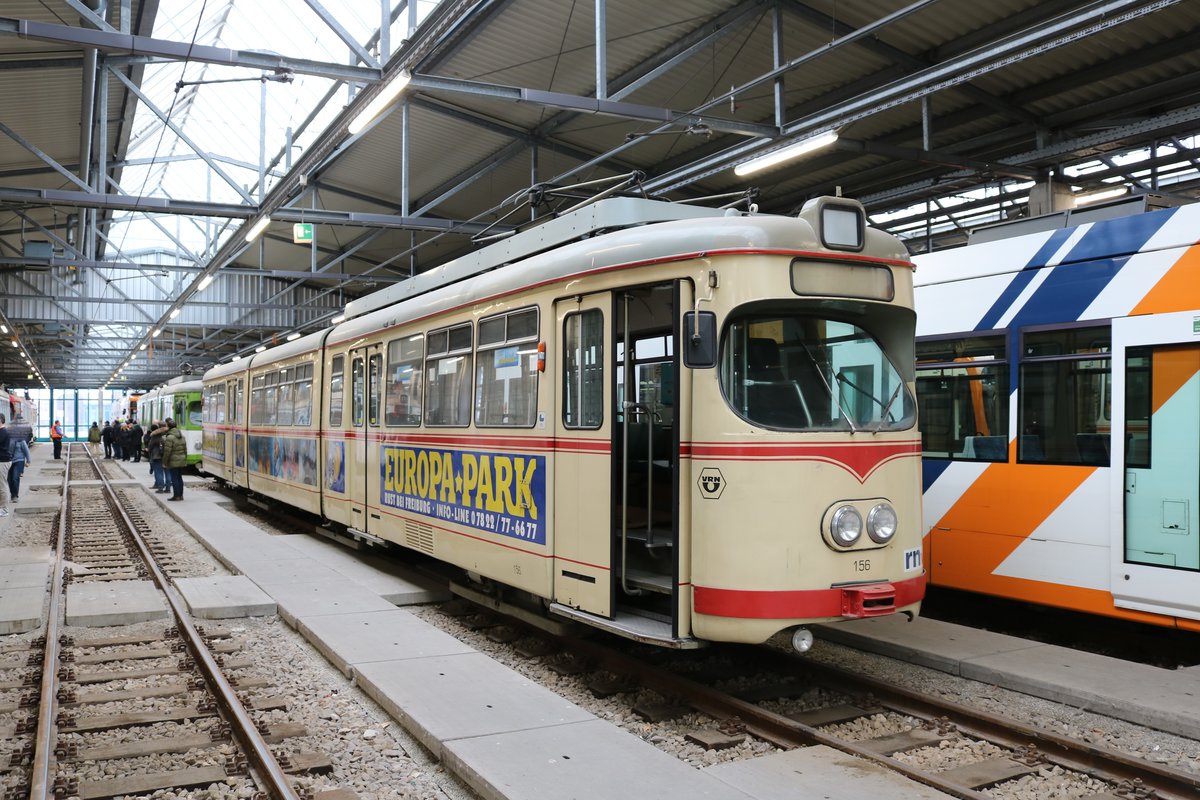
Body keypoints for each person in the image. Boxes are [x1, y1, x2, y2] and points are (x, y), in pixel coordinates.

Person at [162, 418, 187, 501]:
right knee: (179, 478)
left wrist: (164, 462)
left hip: (173, 460)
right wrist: (185, 459)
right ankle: (181, 495)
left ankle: (176, 496)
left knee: (174, 478)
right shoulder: (182, 436)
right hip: (181, 459)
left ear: (169, 427)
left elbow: (167, 452)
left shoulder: (170, 437)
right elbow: (185, 450)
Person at [146, 421, 168, 493]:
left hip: (157, 456)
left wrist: (148, 450)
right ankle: (168, 488)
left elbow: (150, 446)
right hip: (166, 455)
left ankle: (160, 487)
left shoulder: (155, 436)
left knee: (158, 472)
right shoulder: (167, 434)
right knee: (167, 472)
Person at [9, 431, 30, 503]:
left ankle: (15, 496)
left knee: (15, 478)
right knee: (9, 479)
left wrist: (28, 461)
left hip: (19, 460)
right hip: (9, 461)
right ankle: (12, 494)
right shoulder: (8, 440)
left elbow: (26, 451)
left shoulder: (21, 441)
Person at [0, 415, 11, 517]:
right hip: (2, 461)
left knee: (2, 486)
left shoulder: (3, 432)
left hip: (3, 461)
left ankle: (4, 509)